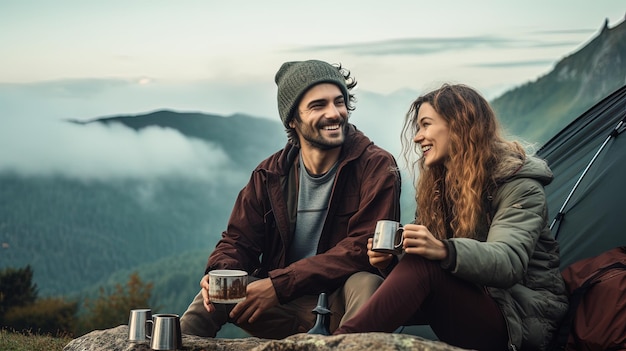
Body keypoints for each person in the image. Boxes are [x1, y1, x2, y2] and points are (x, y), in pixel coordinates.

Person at [333, 84, 569, 351]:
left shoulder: (520, 186)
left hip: (518, 322)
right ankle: (343, 341)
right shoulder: (441, 187)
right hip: (472, 303)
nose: (417, 137)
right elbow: (418, 276)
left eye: (425, 125)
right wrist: (389, 261)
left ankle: (338, 345)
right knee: (367, 281)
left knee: (426, 264)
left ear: (458, 125)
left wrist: (442, 250)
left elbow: (508, 262)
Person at [180, 59, 401, 339]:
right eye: (318, 105)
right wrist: (219, 273)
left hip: (341, 306)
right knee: (213, 295)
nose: (335, 114)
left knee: (367, 284)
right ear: (292, 119)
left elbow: (362, 250)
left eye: (339, 102)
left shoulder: (376, 166)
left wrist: (279, 285)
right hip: (279, 306)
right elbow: (238, 241)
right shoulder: (269, 174)